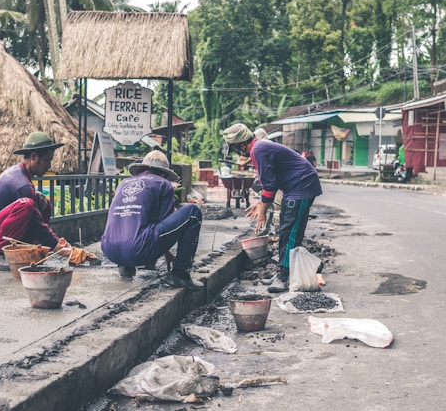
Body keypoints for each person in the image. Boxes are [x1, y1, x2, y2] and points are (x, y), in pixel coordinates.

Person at [221, 123, 323, 293]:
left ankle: (284, 276)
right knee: (286, 229)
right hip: (294, 188)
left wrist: (262, 213)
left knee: (289, 231)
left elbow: (269, 187)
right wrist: (260, 204)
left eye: (233, 148)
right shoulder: (258, 148)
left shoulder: (258, 149)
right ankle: (293, 270)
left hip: (301, 187)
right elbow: (269, 183)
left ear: (240, 144)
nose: (235, 152)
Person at [101, 150, 204, 291]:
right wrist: (167, 252)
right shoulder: (163, 184)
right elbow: (164, 222)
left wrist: (166, 253)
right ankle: (180, 274)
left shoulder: (124, 183)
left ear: (142, 169)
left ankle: (125, 267)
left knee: (131, 220)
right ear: (163, 173)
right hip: (138, 249)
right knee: (193, 212)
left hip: (109, 249)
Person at [0, 132, 69, 269]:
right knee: (27, 204)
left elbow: (38, 218)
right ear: (34, 157)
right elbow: (37, 223)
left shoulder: (22, 177)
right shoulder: (21, 184)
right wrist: (59, 246)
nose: (49, 166)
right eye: (48, 160)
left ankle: (17, 250)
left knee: (43, 204)